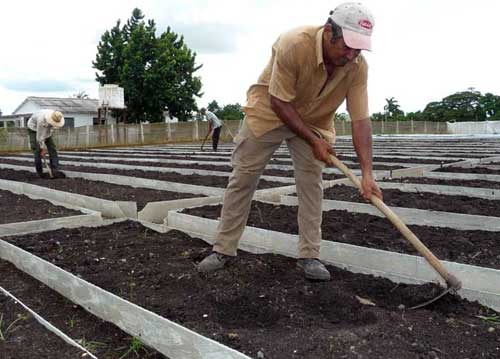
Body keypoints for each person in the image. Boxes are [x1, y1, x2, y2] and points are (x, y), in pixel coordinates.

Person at [198, 2, 383, 280]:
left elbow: (360, 121)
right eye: (347, 46)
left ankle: (310, 255)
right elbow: (280, 102)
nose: (351, 54)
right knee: (243, 178)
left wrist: (368, 173)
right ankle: (223, 249)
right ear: (329, 30)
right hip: (270, 112)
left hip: (316, 120)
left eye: (358, 48)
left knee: (311, 184)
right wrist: (314, 141)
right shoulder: (294, 44)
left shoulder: (356, 66)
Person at [27, 109, 65, 178]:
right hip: (34, 128)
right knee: (37, 150)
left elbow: (48, 132)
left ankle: (54, 170)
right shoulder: (41, 120)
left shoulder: (55, 116)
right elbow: (39, 137)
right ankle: (39, 173)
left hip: (45, 128)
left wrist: (44, 147)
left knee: (52, 148)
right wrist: (42, 148)